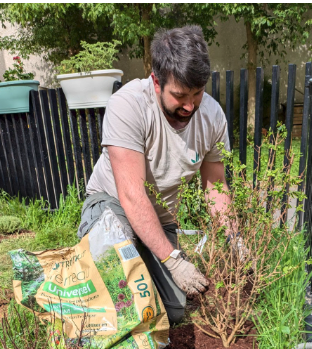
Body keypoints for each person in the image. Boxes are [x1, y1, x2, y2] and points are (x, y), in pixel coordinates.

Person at [78, 25, 231, 324]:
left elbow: (215, 187)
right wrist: (174, 260)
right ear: (156, 82)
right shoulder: (129, 105)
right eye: (180, 95)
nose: (190, 105)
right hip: (113, 207)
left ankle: (146, 266)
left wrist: (234, 237)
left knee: (171, 311)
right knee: (119, 287)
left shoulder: (212, 117)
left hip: (159, 221)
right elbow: (132, 194)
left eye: (197, 93)